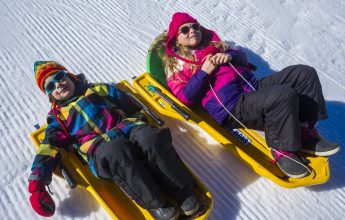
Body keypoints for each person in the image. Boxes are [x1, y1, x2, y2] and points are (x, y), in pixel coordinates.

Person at [152, 12, 340, 179]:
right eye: (185, 30)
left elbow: (244, 59)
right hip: (232, 106)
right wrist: (203, 72)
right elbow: (185, 98)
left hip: (254, 87)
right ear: (176, 40)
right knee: (283, 95)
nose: (192, 31)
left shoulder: (215, 46)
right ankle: (281, 149)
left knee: (303, 73)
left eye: (195, 26)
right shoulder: (177, 65)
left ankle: (304, 131)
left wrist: (230, 57)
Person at [28, 61, 201, 219]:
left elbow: (129, 104)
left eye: (59, 77)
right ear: (51, 95)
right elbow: (49, 147)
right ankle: (157, 204)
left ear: (70, 76)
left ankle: (183, 192)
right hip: (101, 149)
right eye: (50, 86)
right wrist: (37, 184)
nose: (58, 84)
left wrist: (139, 122)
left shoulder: (97, 89)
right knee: (116, 151)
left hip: (128, 129)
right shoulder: (58, 118)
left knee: (150, 138)